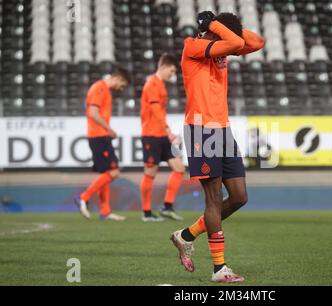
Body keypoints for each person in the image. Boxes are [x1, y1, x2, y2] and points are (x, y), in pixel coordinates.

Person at [170, 11, 265, 283]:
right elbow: (236, 44)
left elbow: (257, 42)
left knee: (239, 197)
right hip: (201, 129)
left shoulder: (222, 46)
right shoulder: (194, 45)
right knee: (213, 198)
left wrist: (223, 26)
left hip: (223, 129)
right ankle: (219, 269)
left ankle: (186, 235)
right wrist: (213, 25)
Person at [74, 68, 130, 221]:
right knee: (113, 172)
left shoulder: (104, 89)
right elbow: (93, 112)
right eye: (123, 85)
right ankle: (83, 197)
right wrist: (109, 128)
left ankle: (105, 211)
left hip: (100, 135)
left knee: (106, 173)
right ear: (117, 78)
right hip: (98, 136)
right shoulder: (100, 87)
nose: (121, 89)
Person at [140, 53, 186, 222]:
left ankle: (167, 207)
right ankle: (146, 213)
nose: (172, 75)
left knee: (179, 168)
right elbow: (155, 110)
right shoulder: (152, 83)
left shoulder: (160, 84)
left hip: (161, 135)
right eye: (172, 71)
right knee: (150, 174)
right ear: (164, 67)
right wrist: (168, 130)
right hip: (151, 136)